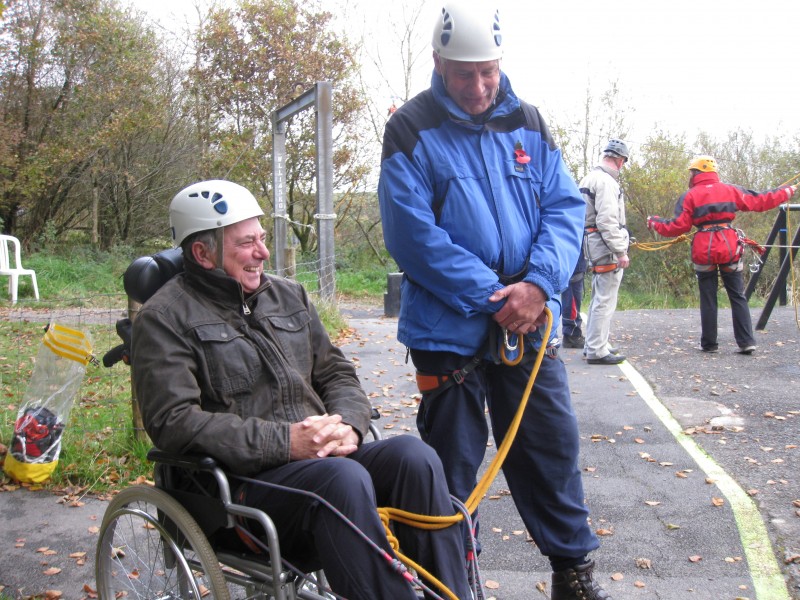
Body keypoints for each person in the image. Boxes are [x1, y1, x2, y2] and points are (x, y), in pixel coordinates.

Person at [130, 180, 471, 600]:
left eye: (262, 238)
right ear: (203, 254)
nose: (263, 252)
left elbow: (336, 373)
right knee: (340, 479)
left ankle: (450, 595)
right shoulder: (164, 317)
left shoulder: (289, 296)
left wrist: (349, 424)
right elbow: (174, 423)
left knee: (414, 458)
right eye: (246, 243)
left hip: (323, 464)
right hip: (240, 489)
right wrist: (285, 443)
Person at [378, 3, 610, 599]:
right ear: (438, 64)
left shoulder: (528, 120)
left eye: (489, 72)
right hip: (448, 335)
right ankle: (454, 586)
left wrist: (537, 287)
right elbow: (413, 236)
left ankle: (574, 576)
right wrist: (496, 297)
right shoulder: (410, 128)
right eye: (464, 74)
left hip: (530, 330)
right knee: (450, 474)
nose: (479, 87)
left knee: (551, 455)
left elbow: (564, 209)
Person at [647, 156, 798, 354]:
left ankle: (709, 344)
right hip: (728, 244)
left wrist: (654, 222)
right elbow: (759, 201)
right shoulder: (730, 190)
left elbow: (678, 226)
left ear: (696, 173)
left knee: (708, 296)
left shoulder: (689, 196)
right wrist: (787, 191)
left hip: (704, 247)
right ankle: (746, 341)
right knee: (737, 295)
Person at [580, 139, 631, 365]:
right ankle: (597, 350)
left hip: (591, 242)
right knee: (605, 298)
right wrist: (621, 250)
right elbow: (607, 220)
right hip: (604, 244)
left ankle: (594, 343)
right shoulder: (607, 182)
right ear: (620, 161)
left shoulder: (589, 178)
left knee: (597, 296)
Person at [560, 244, 587, 348]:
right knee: (572, 299)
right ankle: (571, 334)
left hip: (576, 262)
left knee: (574, 299)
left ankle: (573, 333)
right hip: (572, 262)